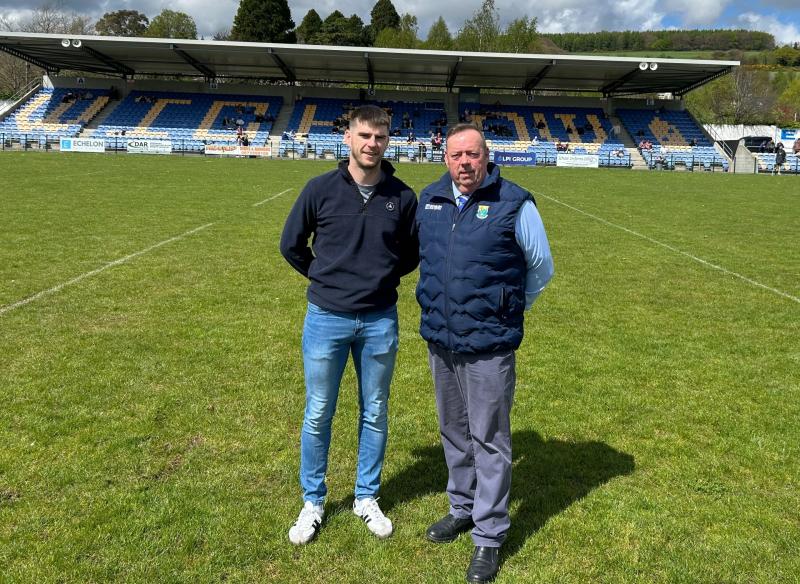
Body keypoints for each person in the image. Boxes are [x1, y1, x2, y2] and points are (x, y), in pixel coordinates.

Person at [415, 124, 554, 584]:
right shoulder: (431, 199)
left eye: (473, 154)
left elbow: (541, 265)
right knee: (454, 430)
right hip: (442, 340)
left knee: (489, 438)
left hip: (489, 345)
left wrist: (508, 306)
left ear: (487, 156)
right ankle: (462, 507)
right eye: (456, 155)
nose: (465, 163)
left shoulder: (514, 203)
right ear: (445, 159)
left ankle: (490, 535)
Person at [279, 105, 419, 546]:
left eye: (379, 137)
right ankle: (313, 501)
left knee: (374, 410)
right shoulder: (319, 189)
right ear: (348, 138)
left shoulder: (403, 196)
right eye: (364, 135)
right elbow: (291, 244)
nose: (371, 144)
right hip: (326, 318)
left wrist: (380, 279)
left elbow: (411, 254)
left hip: (379, 320)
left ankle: (366, 496)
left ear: (388, 141)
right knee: (319, 411)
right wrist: (326, 278)